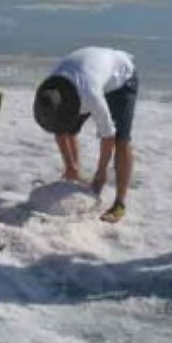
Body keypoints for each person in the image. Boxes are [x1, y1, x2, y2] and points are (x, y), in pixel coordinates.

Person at [33, 47, 138, 223]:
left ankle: (119, 204)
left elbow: (108, 136)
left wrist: (101, 171)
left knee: (121, 140)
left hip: (122, 80)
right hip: (90, 72)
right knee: (66, 127)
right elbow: (59, 129)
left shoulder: (91, 95)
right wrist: (70, 166)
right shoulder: (51, 88)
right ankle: (73, 171)